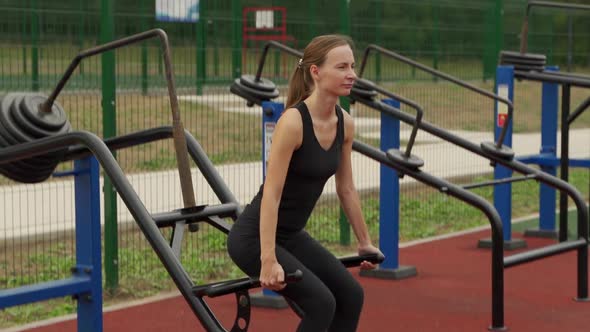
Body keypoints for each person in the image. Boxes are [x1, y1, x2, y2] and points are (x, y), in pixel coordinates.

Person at [227, 34, 383, 332]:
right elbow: (271, 193)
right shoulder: (293, 122)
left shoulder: (345, 123)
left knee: (351, 295)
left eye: (352, 66)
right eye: (341, 67)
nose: (351, 74)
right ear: (316, 72)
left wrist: (364, 241)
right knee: (321, 303)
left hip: (291, 235)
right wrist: (268, 259)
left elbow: (346, 188)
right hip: (253, 239)